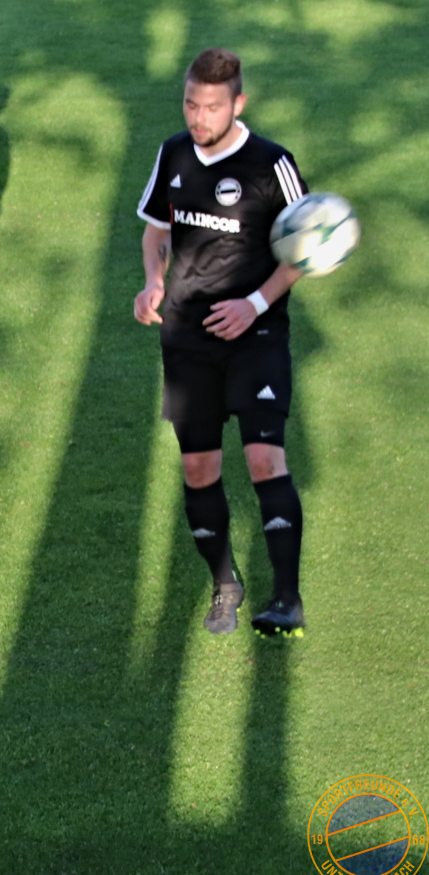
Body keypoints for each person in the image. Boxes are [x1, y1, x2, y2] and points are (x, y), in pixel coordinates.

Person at [134, 47, 309, 638]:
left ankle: (286, 599)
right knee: (199, 468)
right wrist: (153, 282)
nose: (198, 118)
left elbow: (304, 248)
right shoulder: (174, 153)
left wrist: (253, 304)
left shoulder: (272, 164)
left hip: (257, 337)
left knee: (264, 459)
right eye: (190, 104)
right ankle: (225, 584)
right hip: (186, 340)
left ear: (238, 103)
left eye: (211, 107)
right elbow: (157, 231)